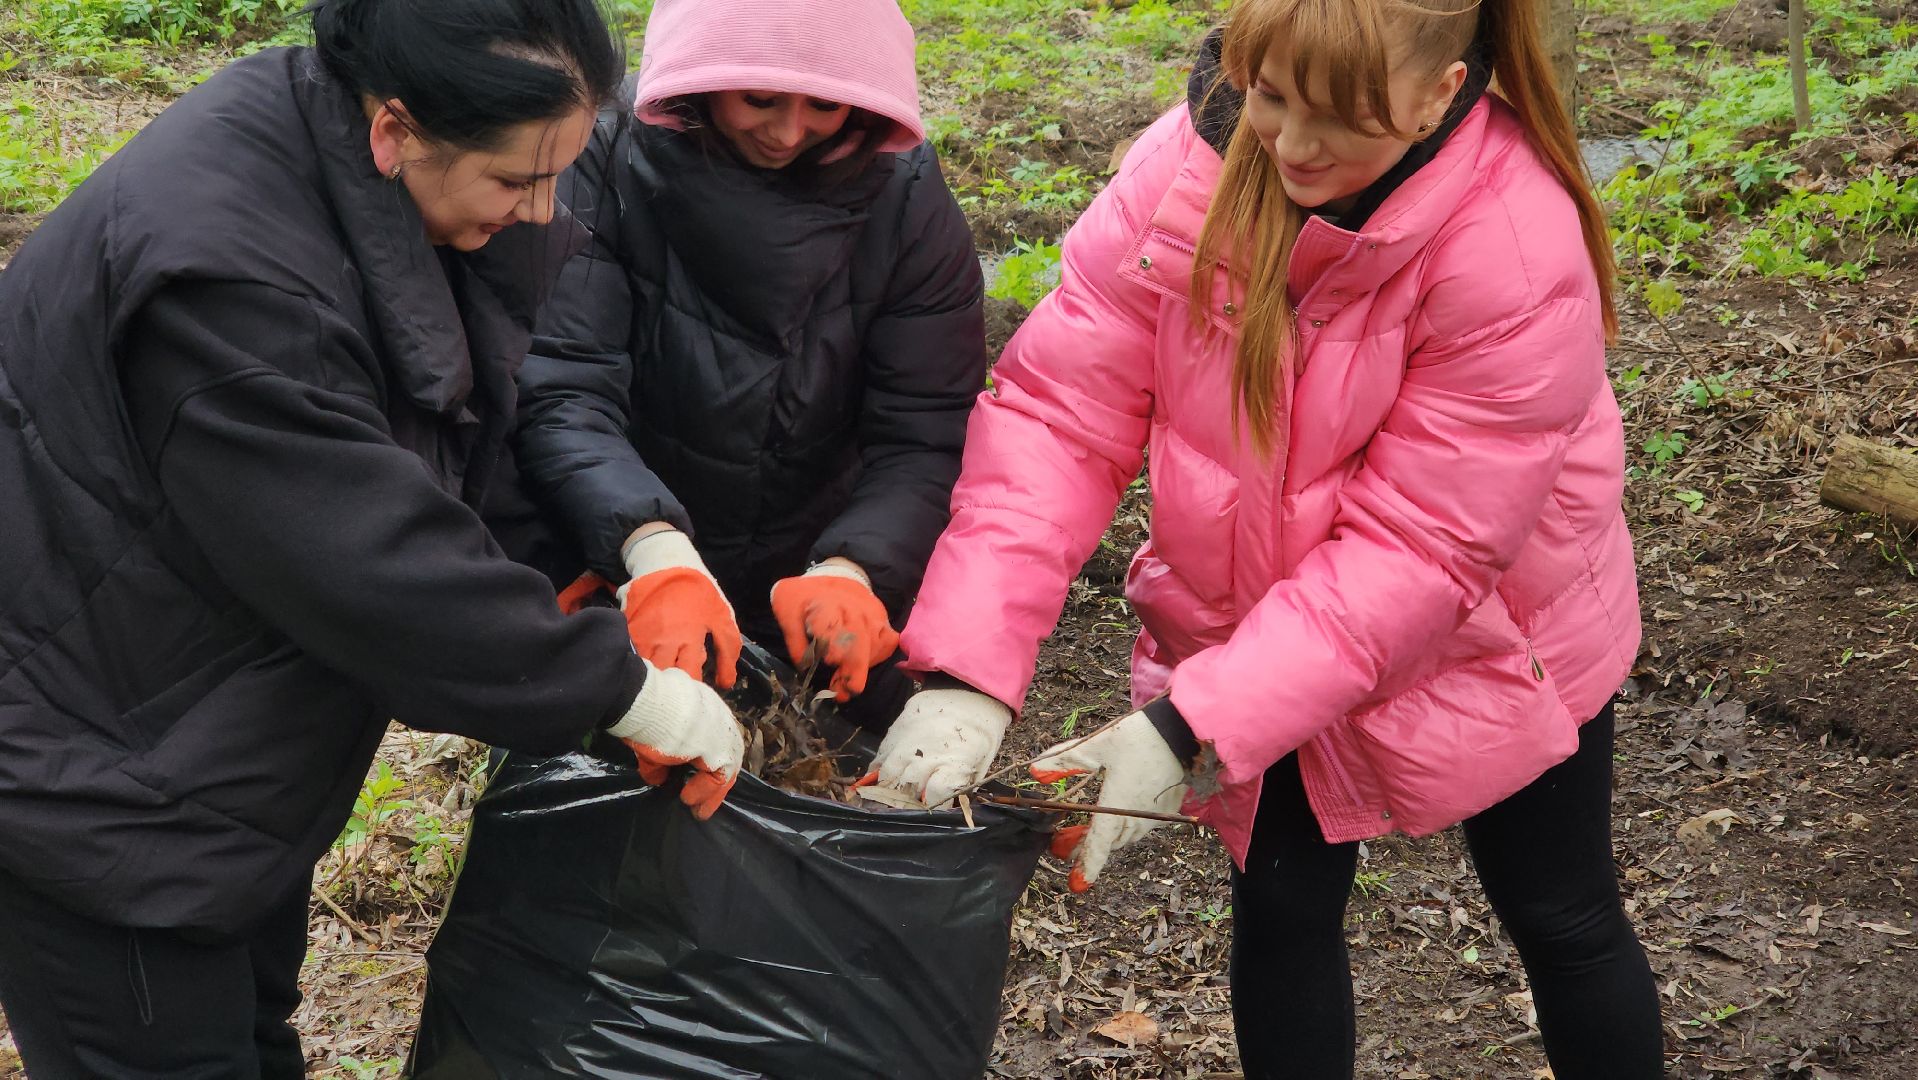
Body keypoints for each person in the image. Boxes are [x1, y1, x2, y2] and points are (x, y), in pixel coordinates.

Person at [866, 0, 1664, 1076]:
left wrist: (1184, 725)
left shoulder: (1512, 239)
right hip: (1254, 620)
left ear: (1441, 92)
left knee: (1560, 915)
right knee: (1282, 914)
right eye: (1270, 94)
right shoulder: (1185, 166)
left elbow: (1423, 548)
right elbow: (1062, 411)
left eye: (1340, 115)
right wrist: (969, 667)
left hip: (1496, 628)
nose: (1288, 144)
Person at [0, 0, 746, 1072]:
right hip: (94, 777)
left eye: (559, 177)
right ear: (396, 127)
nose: (543, 213)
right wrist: (620, 690)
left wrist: (581, 563)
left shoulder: (335, 148)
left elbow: (421, 415)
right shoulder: (227, 284)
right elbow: (362, 557)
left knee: (251, 1040)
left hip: (202, 736)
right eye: (516, 181)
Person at [503, 0, 986, 728]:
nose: (788, 131)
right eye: (758, 98)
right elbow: (562, 386)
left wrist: (856, 566)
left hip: (816, 557)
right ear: (699, 81)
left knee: (826, 784)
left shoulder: (907, 197)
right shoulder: (602, 159)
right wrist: (651, 548)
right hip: (620, 563)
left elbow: (925, 428)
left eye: (825, 105)